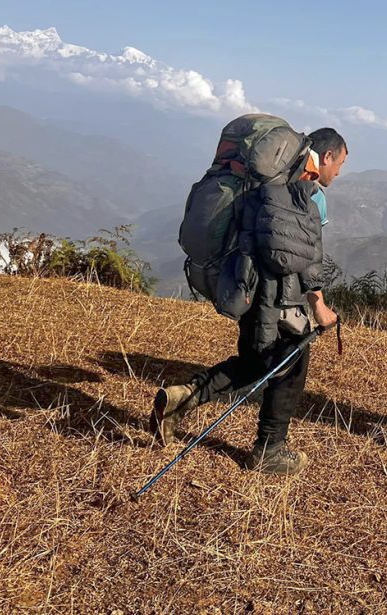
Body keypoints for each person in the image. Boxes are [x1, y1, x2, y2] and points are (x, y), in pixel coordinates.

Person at [150, 128, 347, 476]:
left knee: (256, 361)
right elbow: (307, 258)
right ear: (327, 156)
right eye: (340, 163)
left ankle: (182, 398)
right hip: (279, 295)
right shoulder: (308, 190)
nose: (338, 173)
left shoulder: (268, 177)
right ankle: (270, 448)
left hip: (247, 283)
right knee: (291, 362)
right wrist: (320, 307)